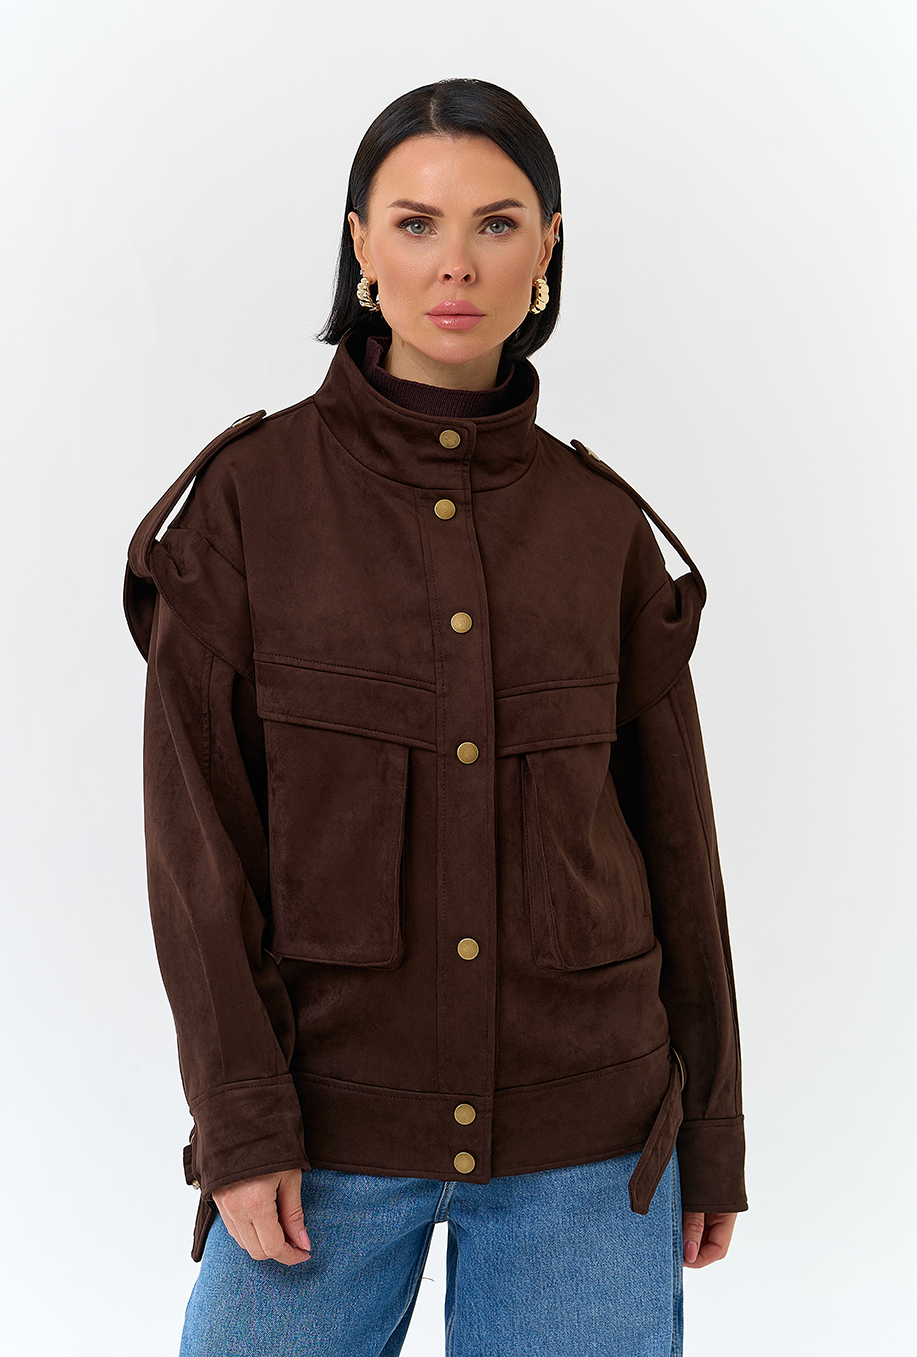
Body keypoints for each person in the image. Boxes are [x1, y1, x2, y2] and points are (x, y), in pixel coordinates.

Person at [124, 77, 748, 1357]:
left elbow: (677, 850)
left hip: (590, 1141)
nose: (454, 264)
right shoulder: (244, 507)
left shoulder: (599, 528)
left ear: (546, 249)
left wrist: (714, 1132)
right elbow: (198, 855)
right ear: (360, 245)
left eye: (496, 224)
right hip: (321, 1135)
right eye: (415, 224)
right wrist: (240, 1123)